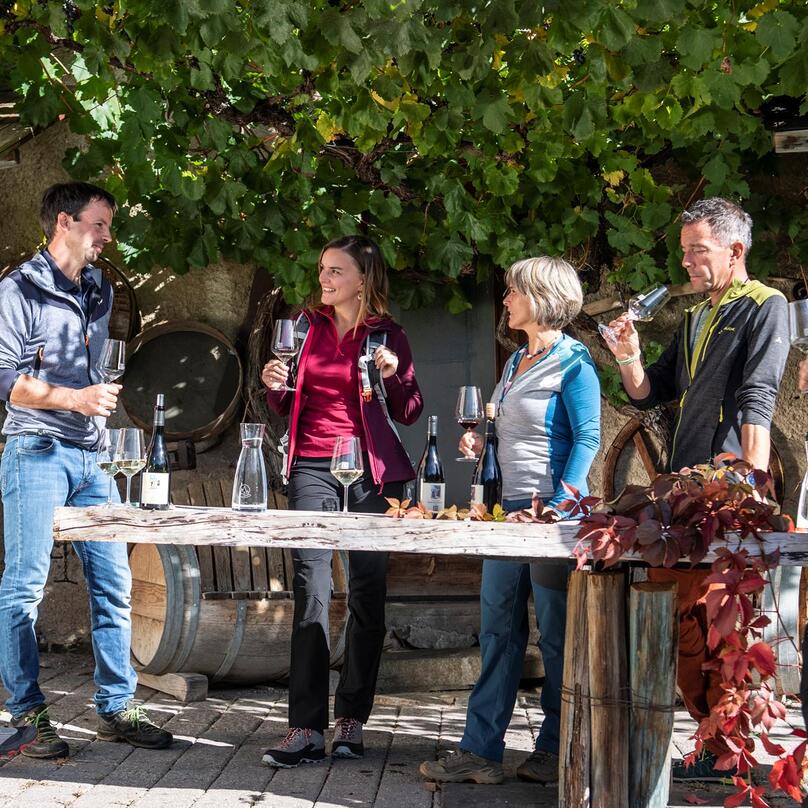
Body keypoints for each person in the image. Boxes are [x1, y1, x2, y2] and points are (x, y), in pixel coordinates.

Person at [602, 197, 788, 781]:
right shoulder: (694, 317)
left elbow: (759, 393)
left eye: (697, 250)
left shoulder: (766, 305)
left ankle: (727, 751)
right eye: (684, 251)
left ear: (736, 250)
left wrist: (749, 487)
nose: (686, 262)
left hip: (726, 492)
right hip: (684, 493)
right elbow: (647, 391)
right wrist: (628, 354)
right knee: (684, 618)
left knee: (721, 626)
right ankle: (711, 744)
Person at [0, 182, 173, 758]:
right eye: (99, 224)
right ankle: (27, 714)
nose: (106, 236)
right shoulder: (18, 289)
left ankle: (117, 706)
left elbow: (94, 367)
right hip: (36, 449)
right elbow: (5, 381)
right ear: (65, 223)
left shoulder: (98, 287)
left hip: (93, 456)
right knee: (24, 588)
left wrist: (93, 400)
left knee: (114, 586)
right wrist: (75, 399)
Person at [420, 256, 601, 786]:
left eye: (513, 291)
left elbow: (588, 439)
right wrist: (482, 445)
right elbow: (509, 434)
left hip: (551, 516)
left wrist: (562, 508)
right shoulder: (515, 361)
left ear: (541, 298)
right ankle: (481, 751)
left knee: (557, 635)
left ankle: (554, 748)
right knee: (497, 628)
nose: (505, 300)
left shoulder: (575, 363)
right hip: (507, 513)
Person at [261, 234, 423, 767]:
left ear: (363, 279)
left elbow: (410, 411)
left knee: (367, 592)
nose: (324, 278)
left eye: (336, 270)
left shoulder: (387, 335)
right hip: (312, 466)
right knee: (310, 588)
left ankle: (351, 717)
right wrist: (274, 382)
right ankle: (305, 728)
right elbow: (283, 403)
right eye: (322, 268)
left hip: (373, 475)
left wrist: (394, 375)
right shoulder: (304, 326)